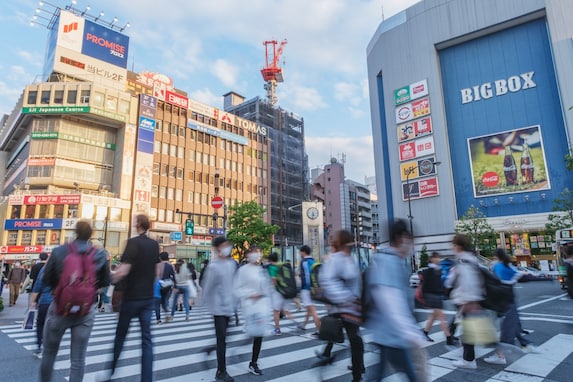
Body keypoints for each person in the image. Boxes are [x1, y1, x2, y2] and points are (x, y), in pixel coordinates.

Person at [40, 221, 110, 382]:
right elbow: (106, 281)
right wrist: (90, 289)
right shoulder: (99, 254)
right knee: (78, 360)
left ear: (75, 232)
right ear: (90, 235)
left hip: (59, 309)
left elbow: (46, 278)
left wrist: (59, 289)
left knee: (49, 354)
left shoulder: (59, 251)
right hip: (86, 311)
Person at [364, 220, 426, 382]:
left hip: (388, 333)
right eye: (409, 240)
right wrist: (411, 332)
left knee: (378, 374)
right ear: (400, 238)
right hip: (393, 333)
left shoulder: (391, 260)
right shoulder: (388, 261)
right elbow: (390, 300)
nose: (411, 245)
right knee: (413, 376)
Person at [109, 214, 161, 382]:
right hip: (147, 298)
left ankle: (110, 373)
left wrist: (111, 277)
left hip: (131, 298)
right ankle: (147, 379)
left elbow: (123, 271)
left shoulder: (132, 243)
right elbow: (157, 273)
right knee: (147, 340)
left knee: (120, 337)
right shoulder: (154, 245)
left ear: (138, 224)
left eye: (134, 221)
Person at [319, 230, 365, 382]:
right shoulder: (336, 259)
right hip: (344, 307)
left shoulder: (348, 258)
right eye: (351, 241)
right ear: (346, 243)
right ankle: (356, 374)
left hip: (350, 307)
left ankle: (356, 372)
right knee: (354, 340)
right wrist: (346, 297)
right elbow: (327, 281)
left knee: (354, 340)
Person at [485, 248, 539, 365]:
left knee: (502, 328)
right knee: (513, 325)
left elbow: (495, 283)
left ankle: (500, 355)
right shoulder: (507, 266)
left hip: (501, 302)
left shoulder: (498, 267)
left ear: (496, 256)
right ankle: (526, 344)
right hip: (510, 300)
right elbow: (519, 275)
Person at [201, 237, 238, 382]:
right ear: (218, 248)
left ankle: (210, 350)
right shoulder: (213, 266)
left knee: (225, 338)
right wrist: (200, 307)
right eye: (224, 245)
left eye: (228, 244)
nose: (227, 247)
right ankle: (221, 371)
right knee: (222, 339)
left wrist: (236, 303)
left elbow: (234, 285)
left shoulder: (231, 264)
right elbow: (207, 287)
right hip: (218, 309)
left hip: (229, 307)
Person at [446, 234, 485, 369]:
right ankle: (468, 357)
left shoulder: (463, 261)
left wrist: (467, 301)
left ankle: (469, 360)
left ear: (458, 246)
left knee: (466, 331)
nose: (452, 247)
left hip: (466, 301)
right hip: (472, 300)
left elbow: (467, 282)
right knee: (466, 330)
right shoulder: (471, 259)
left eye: (453, 245)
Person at [233, 246, 269, 376]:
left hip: (260, 305)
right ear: (248, 255)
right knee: (254, 333)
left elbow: (265, 287)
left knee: (258, 335)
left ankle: (253, 362)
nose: (257, 255)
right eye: (254, 253)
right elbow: (236, 289)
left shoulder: (260, 270)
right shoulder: (242, 270)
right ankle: (245, 356)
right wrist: (249, 295)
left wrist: (261, 294)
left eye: (258, 253)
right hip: (248, 305)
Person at [421, 252, 454, 345]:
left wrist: (444, 293)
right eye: (435, 258)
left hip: (437, 296)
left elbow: (440, 284)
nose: (437, 259)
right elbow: (424, 285)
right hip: (431, 296)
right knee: (441, 316)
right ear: (431, 259)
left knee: (433, 316)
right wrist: (424, 298)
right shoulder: (429, 270)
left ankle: (425, 332)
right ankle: (448, 337)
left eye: (438, 258)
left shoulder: (438, 270)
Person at [267, 252, 299, 335]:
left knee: (275, 311)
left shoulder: (272, 267)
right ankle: (296, 323)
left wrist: (271, 289)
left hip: (278, 291)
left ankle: (277, 330)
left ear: (270, 260)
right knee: (285, 310)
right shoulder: (283, 265)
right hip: (286, 290)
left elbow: (273, 279)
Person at [29, 264, 53, 357]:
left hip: (45, 302)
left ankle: (39, 345)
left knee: (41, 324)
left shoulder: (45, 269)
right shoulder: (64, 268)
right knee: (55, 325)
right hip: (58, 303)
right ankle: (51, 346)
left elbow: (37, 287)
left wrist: (32, 302)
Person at [297, 245, 321, 335]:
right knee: (309, 308)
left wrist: (307, 287)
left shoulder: (304, 262)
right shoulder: (313, 261)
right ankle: (304, 325)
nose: (300, 253)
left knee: (312, 309)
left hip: (307, 288)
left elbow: (307, 276)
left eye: (300, 251)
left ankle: (319, 329)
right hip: (314, 288)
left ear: (303, 252)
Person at [159, 252, 175, 316]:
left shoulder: (158, 265)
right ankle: (166, 307)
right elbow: (173, 275)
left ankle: (162, 307)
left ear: (160, 258)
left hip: (159, 283)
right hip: (168, 284)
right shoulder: (170, 266)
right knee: (166, 297)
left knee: (160, 296)